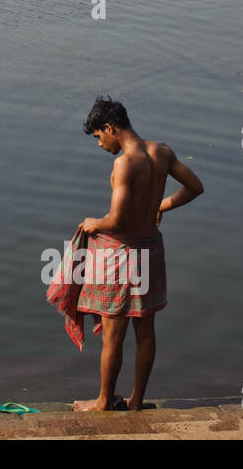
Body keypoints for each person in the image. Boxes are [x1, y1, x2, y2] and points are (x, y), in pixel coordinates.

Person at [72, 95, 204, 412]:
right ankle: (137, 402)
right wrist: (161, 204)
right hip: (150, 251)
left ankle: (104, 401)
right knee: (145, 333)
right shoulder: (162, 152)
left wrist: (93, 223)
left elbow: (116, 220)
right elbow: (194, 187)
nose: (100, 144)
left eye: (98, 137)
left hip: (122, 255)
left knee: (113, 336)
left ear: (109, 127)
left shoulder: (124, 163)